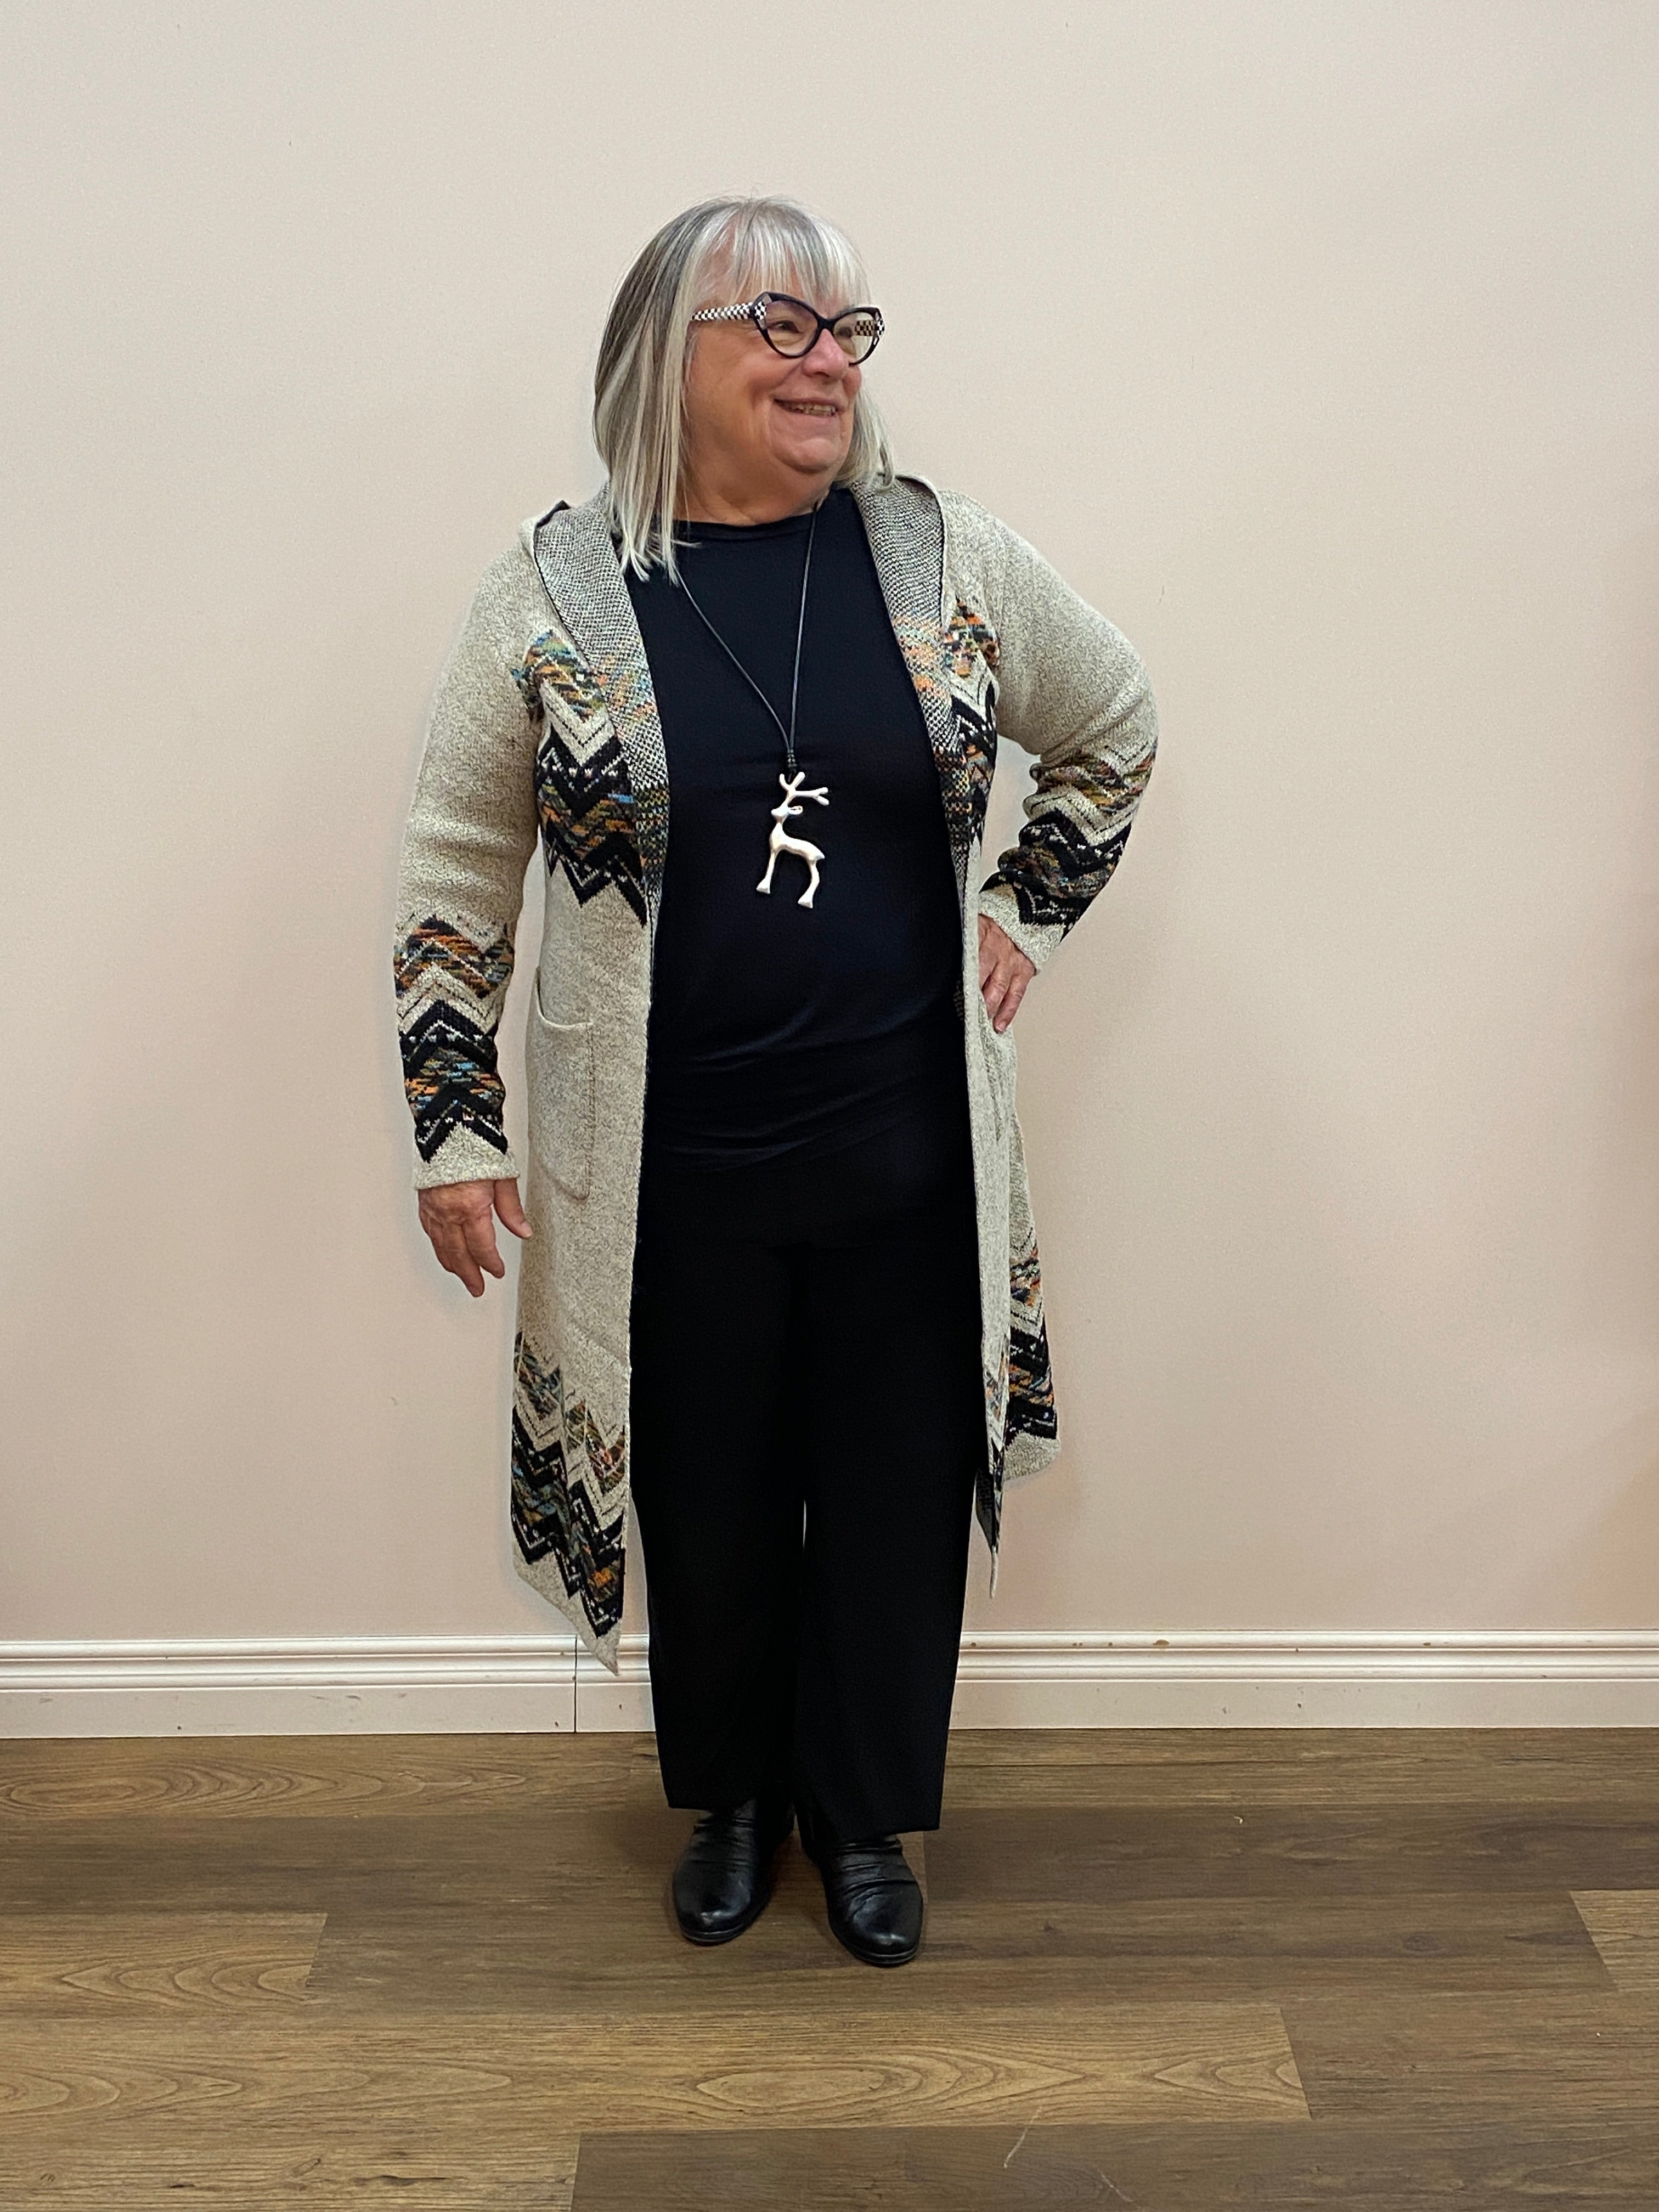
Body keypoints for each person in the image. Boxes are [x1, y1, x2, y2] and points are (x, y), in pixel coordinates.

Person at [392, 194, 1158, 1969]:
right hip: (670, 1170)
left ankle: (864, 1814)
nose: (830, 365)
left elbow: (1112, 721)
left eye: (850, 331)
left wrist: (1026, 912)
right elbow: (455, 867)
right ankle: (734, 1799)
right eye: (785, 327)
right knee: (711, 1493)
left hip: (907, 1158)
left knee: (891, 1494)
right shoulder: (557, 593)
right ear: (667, 356)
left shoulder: (942, 559)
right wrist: (455, 1126)